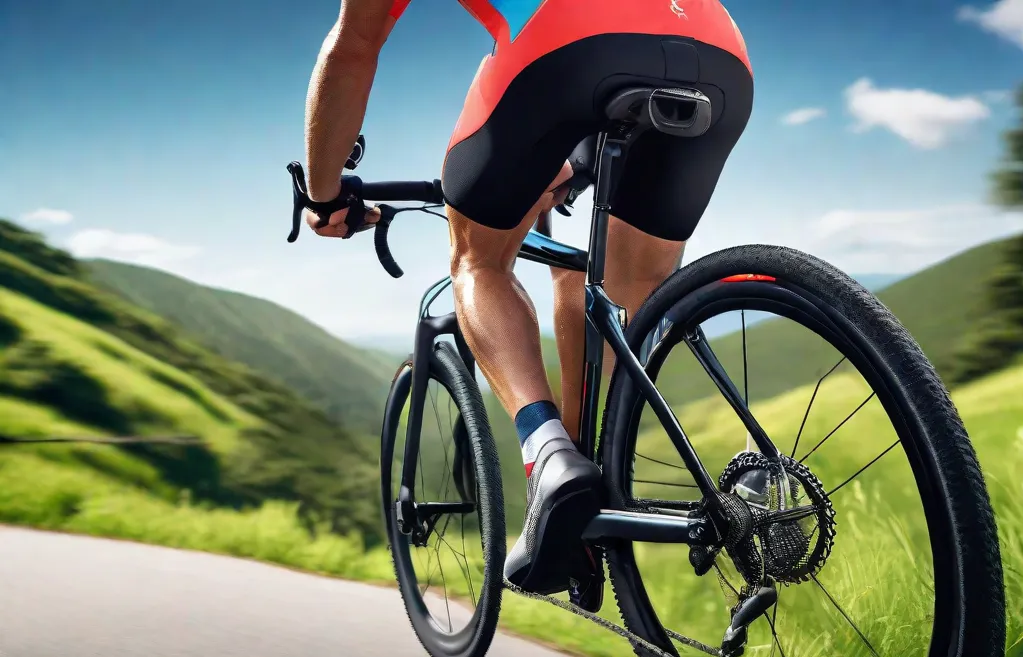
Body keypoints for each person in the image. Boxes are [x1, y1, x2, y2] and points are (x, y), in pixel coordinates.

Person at [301, 0, 753, 604]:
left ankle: (548, 456)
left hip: (571, 40)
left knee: (478, 258)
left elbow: (355, 44)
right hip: (717, 52)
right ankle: (602, 506)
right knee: (623, 286)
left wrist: (324, 192)